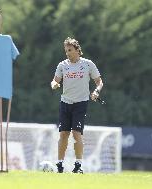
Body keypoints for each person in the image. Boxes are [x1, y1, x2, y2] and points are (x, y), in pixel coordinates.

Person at [51, 37, 103, 173]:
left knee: (76, 133)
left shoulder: (88, 64)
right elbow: (54, 81)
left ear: (77, 50)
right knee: (63, 134)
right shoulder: (62, 65)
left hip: (81, 103)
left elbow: (99, 81)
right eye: (66, 50)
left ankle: (78, 165)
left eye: (70, 50)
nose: (67, 53)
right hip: (65, 103)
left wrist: (96, 91)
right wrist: (55, 84)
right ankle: (60, 165)